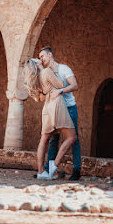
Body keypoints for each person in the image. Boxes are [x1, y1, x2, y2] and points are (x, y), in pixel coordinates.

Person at [23, 58, 77, 179]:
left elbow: (39, 98)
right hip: (57, 103)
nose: (39, 58)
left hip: (46, 106)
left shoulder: (35, 79)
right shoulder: (46, 71)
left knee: (44, 139)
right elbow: (61, 85)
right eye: (36, 59)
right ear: (37, 64)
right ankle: (54, 165)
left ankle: (41, 171)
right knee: (72, 137)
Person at [38, 46, 81, 181]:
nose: (41, 59)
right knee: (52, 140)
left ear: (50, 55)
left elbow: (75, 85)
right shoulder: (45, 73)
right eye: (39, 58)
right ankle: (49, 171)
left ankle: (76, 169)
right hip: (54, 108)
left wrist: (60, 91)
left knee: (74, 139)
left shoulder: (64, 69)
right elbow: (42, 96)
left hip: (69, 107)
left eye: (42, 56)